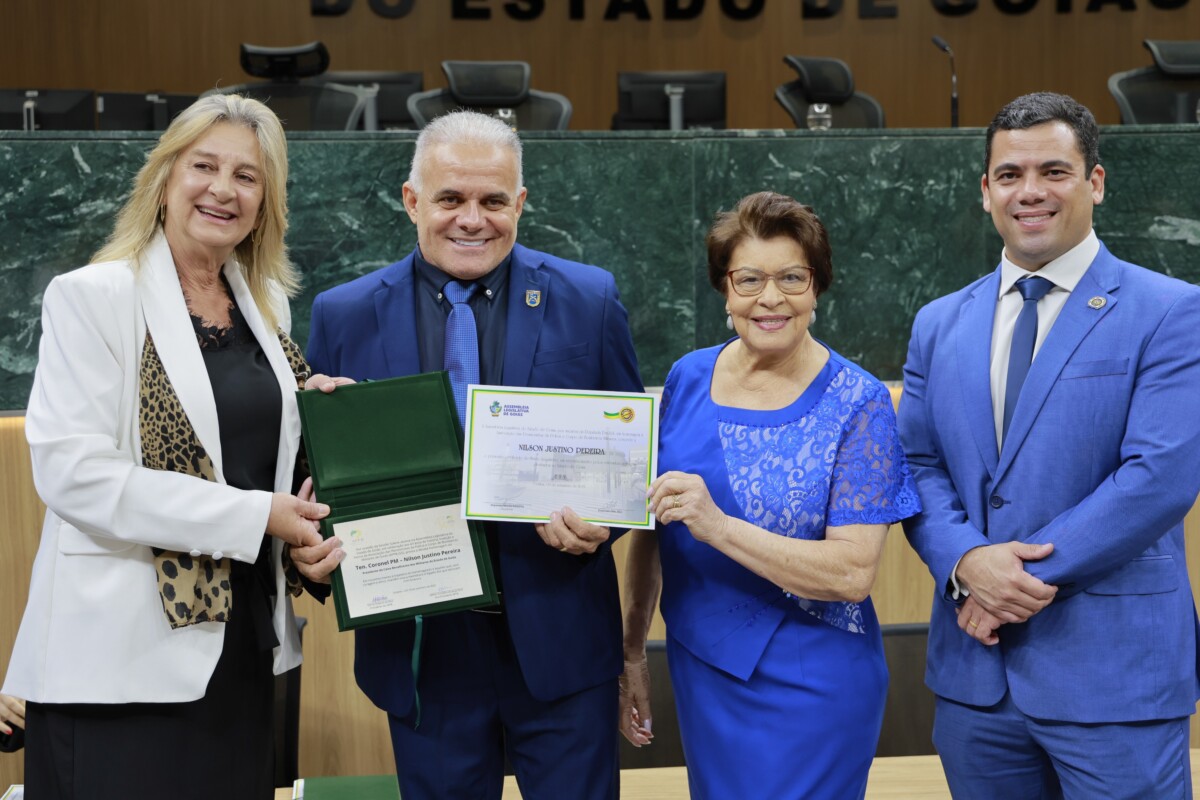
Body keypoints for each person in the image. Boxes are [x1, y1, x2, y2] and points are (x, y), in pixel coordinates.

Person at [1, 94, 346, 800]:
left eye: (247, 176)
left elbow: (258, 461)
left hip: (241, 650)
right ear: (163, 180)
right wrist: (258, 516)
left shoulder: (266, 306)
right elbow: (77, 476)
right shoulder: (92, 297)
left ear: (265, 203)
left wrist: (324, 425)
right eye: (204, 166)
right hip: (120, 661)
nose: (223, 189)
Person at [305, 109, 643, 800]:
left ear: (520, 203)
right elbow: (315, 476)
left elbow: (627, 459)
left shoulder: (589, 299)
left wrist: (605, 523)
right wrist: (310, 549)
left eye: (493, 200)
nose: (472, 219)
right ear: (411, 201)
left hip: (560, 635)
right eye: (450, 199)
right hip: (422, 645)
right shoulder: (344, 315)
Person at [898, 92, 1200, 798]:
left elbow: (1157, 477)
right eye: (1010, 175)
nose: (1029, 191)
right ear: (986, 192)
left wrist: (1005, 585)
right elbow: (916, 465)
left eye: (1054, 171)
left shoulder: (1171, 311)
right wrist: (966, 560)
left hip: (1115, 678)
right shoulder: (939, 323)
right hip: (976, 680)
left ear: (1095, 182)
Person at [620, 191, 921, 799]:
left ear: (817, 287)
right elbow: (653, 528)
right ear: (725, 290)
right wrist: (631, 653)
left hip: (814, 683)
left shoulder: (859, 402)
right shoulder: (687, 377)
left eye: (791, 277)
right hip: (703, 667)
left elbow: (852, 574)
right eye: (750, 279)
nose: (771, 298)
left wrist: (719, 526)